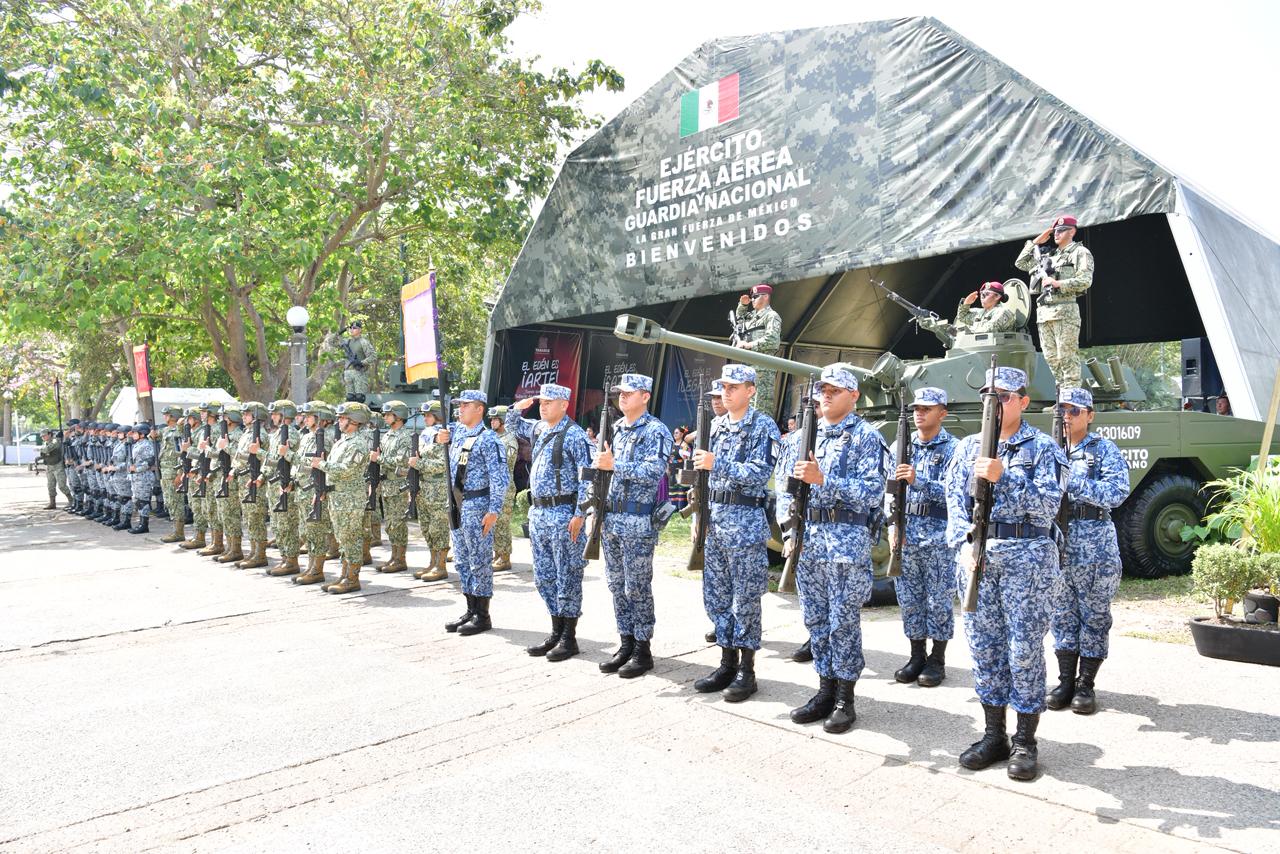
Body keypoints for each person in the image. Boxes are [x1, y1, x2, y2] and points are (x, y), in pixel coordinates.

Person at [944, 366, 1066, 781]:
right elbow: (954, 504)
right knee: (985, 648)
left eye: (1004, 396)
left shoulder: (1043, 447)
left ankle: (1025, 742)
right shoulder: (967, 448)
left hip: (1028, 560)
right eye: (988, 396)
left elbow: (1049, 506)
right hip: (979, 559)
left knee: (1024, 649)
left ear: (1023, 402)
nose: (994, 404)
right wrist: (964, 544)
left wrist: (1006, 476)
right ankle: (993, 734)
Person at [787, 365, 887, 733]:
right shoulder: (805, 435)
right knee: (816, 620)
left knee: (843, 622)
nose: (826, 395)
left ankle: (845, 698)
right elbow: (786, 488)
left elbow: (873, 492)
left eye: (835, 389)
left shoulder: (865, 437)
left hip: (845, 541)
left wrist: (825, 481)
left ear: (854, 395)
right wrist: (788, 532)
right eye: (822, 389)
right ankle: (824, 691)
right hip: (809, 541)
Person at [692, 364, 781, 703]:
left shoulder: (763, 426)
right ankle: (726, 662)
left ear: (751, 391)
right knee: (716, 597)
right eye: (724, 387)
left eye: (734, 387)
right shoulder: (714, 426)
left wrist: (719, 464)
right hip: (716, 522)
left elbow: (760, 473)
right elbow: (703, 474)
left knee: (745, 600)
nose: (726, 392)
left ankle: (747, 670)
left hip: (745, 525)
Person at [1047, 388, 1130, 716]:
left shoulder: (1103, 450)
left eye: (1074, 411)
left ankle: (1086, 685)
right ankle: (1066, 680)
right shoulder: (1048, 449)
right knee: (1062, 612)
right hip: (1058, 543)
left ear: (1090, 415)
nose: (1067, 416)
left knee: (1094, 614)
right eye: (1062, 411)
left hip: (1094, 542)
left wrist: (1074, 484)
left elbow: (1117, 492)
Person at [594, 374, 673, 678]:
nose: (622, 397)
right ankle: (625, 642)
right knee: (616, 584)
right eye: (620, 393)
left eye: (629, 393)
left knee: (636, 586)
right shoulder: (616, 428)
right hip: (612, 518)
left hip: (639, 520)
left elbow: (655, 471)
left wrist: (617, 466)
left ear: (645, 396)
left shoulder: (656, 431)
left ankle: (642, 648)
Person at [507, 385, 592, 660]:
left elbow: (588, 478)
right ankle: (555, 631)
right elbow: (513, 426)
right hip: (540, 514)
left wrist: (580, 513)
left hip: (564, 513)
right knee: (544, 576)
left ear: (564, 405)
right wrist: (516, 408)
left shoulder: (574, 435)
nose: (543, 406)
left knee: (567, 574)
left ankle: (569, 637)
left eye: (549, 402)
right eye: (541, 402)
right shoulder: (540, 429)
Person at [890, 387, 960, 688]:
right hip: (907, 536)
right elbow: (888, 491)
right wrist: (893, 526)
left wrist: (919, 481)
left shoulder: (954, 449)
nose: (919, 413)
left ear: (941, 413)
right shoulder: (900, 446)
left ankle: (937, 659)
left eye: (926, 409)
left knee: (939, 600)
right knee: (910, 599)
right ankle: (916, 654)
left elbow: (954, 494)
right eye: (917, 408)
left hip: (938, 537)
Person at [432, 390, 509, 635]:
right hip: (456, 505)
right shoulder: (458, 433)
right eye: (459, 405)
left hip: (477, 506)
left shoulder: (489, 439)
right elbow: (428, 437)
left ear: (480, 409)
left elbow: (500, 478)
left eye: (466, 405)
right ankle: (470, 609)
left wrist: (494, 510)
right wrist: (437, 437)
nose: (460, 409)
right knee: (463, 561)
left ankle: (483, 615)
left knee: (480, 561)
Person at [1016, 215, 1095, 389]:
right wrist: (1036, 241)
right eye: (1055, 231)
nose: (1056, 234)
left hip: (1065, 311)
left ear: (1072, 231)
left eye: (1061, 230)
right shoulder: (1048, 255)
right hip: (1044, 314)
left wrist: (1058, 283)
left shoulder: (1079, 252)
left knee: (1067, 356)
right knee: (1051, 358)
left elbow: (1085, 280)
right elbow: (1020, 263)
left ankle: (1071, 398)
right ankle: (1062, 398)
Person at [310, 401, 373, 594]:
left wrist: (321, 465)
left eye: (343, 418)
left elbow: (346, 470)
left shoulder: (358, 444)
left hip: (350, 498)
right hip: (338, 496)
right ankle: (345, 574)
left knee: (350, 536)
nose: (339, 421)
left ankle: (352, 578)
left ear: (355, 421)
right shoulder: (343, 441)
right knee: (341, 536)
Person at [293, 401, 337, 586]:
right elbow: (300, 461)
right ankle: (311, 566)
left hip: (313, 488)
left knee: (316, 529)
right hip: (302, 487)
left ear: (321, 419)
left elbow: (325, 466)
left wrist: (321, 489)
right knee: (307, 529)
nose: (306, 418)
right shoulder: (306, 437)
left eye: (310, 416)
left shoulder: (325, 438)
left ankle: (317, 569)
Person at [410, 400, 451, 582]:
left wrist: (419, 463)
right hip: (424, 486)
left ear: (438, 416)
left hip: (438, 487)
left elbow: (442, 465)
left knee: (438, 527)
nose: (425, 418)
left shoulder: (445, 435)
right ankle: (432, 562)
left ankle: (441, 566)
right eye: (425, 415)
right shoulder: (426, 435)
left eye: (428, 415)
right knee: (426, 527)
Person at [371, 400, 413, 573]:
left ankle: (400, 559)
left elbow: (401, 460)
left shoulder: (405, 436)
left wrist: (378, 459)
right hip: (387, 484)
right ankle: (393, 557)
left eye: (389, 414)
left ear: (399, 416)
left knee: (398, 523)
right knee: (389, 523)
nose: (386, 417)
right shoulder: (387, 435)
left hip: (398, 485)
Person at [732, 283, 783, 417]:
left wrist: (749, 345)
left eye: (755, 297)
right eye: (752, 297)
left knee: (760, 409)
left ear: (765, 297)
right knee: (746, 408)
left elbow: (772, 340)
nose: (752, 299)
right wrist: (742, 306)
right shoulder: (753, 316)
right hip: (748, 368)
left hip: (762, 370)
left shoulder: (771, 316)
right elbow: (740, 321)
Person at [265, 400, 302, 577]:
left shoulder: (291, 434)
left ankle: (291, 560)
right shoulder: (276, 434)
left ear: (284, 415)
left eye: (275, 413)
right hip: (273, 485)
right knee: (278, 525)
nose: (272, 417)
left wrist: (291, 481)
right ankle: (285, 558)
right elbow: (273, 459)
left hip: (284, 485)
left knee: (287, 525)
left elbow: (294, 459)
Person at [210, 403, 245, 564]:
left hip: (232, 477)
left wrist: (227, 446)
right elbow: (217, 453)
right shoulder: (225, 434)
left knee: (231, 514)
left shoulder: (238, 434)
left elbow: (241, 456)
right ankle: (229, 546)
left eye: (225, 416)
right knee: (223, 513)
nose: (222, 419)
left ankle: (236, 549)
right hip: (221, 475)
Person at [488, 405, 519, 572]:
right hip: (491, 486)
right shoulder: (491, 437)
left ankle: (504, 556)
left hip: (505, 486)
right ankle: (496, 553)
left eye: (495, 419)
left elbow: (504, 462)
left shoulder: (509, 440)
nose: (492, 422)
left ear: (503, 420)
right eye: (491, 419)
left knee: (502, 522)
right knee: (493, 521)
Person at [179, 408, 212, 551]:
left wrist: (188, 449)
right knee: (194, 505)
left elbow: (201, 454)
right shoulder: (192, 432)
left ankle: (200, 537)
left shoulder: (202, 432)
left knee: (200, 507)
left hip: (199, 472)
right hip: (192, 472)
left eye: (190, 418)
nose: (187, 421)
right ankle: (197, 535)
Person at [158, 406, 187, 544]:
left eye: (167, 414)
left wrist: (180, 473)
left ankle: (179, 532)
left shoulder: (179, 431)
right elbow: (157, 434)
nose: (165, 417)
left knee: (176, 502)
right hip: (165, 470)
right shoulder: (166, 430)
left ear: (173, 416)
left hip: (173, 471)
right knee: (169, 501)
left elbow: (181, 453)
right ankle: (175, 530)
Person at [954, 282, 1019, 334]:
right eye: (981, 294)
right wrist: (966, 304)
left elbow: (989, 329)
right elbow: (962, 317)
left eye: (986, 294)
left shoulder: (1003, 312)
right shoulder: (980, 313)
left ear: (997, 296)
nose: (982, 296)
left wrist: (962, 331)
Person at [340, 320, 377, 403]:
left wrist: (361, 362)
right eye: (350, 328)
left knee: (360, 398)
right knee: (349, 398)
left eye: (354, 328)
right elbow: (334, 341)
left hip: (359, 373)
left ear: (360, 330)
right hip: (348, 372)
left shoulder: (363, 342)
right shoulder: (347, 342)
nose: (351, 330)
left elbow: (373, 356)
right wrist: (341, 332)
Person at [37, 427, 72, 510]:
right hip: (50, 466)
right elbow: (45, 452)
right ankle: (52, 503)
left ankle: (71, 500)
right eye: (42, 436)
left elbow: (47, 449)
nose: (43, 438)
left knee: (62, 486)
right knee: (50, 486)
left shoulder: (55, 441)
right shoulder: (45, 443)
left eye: (44, 436)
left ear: (49, 434)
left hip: (58, 466)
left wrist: (40, 449)